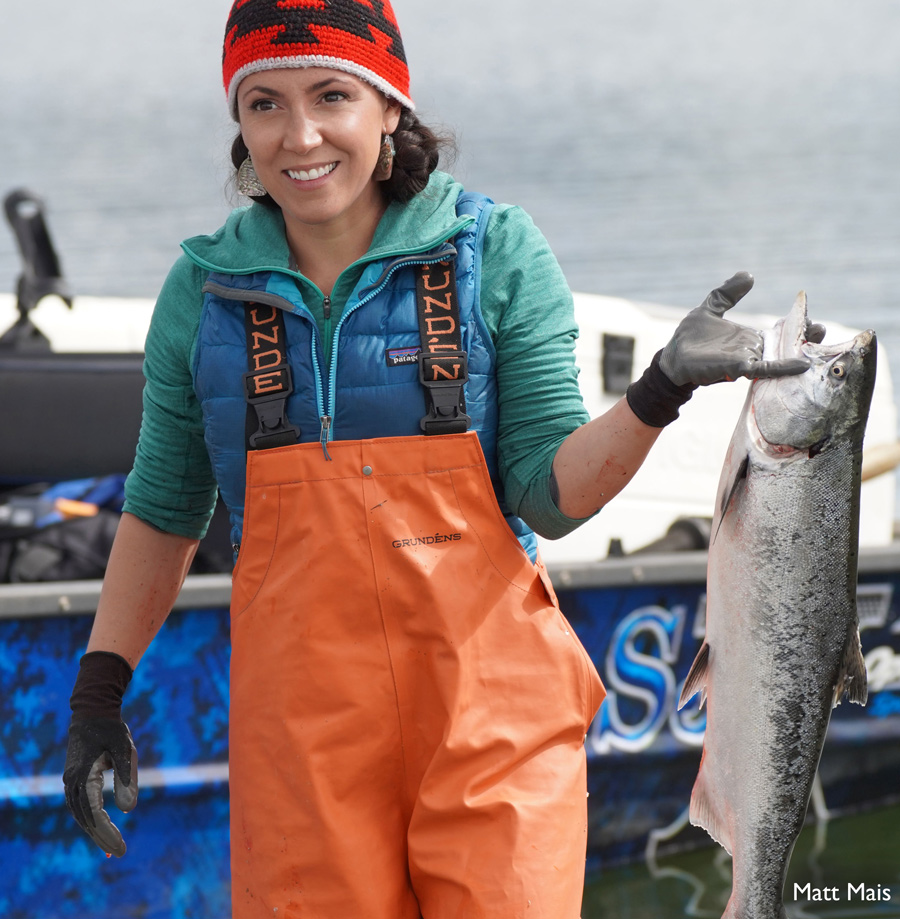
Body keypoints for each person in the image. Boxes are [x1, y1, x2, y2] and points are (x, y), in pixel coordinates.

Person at [61, 2, 811, 916]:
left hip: (494, 738)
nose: (300, 136)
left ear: (389, 108)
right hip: (304, 756)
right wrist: (99, 691)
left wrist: (658, 391)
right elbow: (164, 510)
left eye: (331, 95)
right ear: (239, 123)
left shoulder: (494, 252)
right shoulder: (202, 291)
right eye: (264, 104)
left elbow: (552, 497)